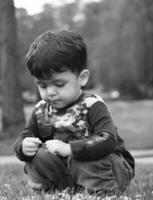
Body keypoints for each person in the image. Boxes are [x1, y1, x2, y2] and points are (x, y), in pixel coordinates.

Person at [13, 29, 135, 194]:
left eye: (59, 84)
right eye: (42, 85)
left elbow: (107, 139)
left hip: (110, 168)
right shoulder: (42, 110)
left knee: (85, 157)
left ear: (82, 78)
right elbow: (25, 136)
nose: (50, 92)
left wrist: (70, 149)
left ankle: (101, 193)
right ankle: (51, 190)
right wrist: (23, 146)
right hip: (68, 170)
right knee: (38, 155)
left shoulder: (92, 105)